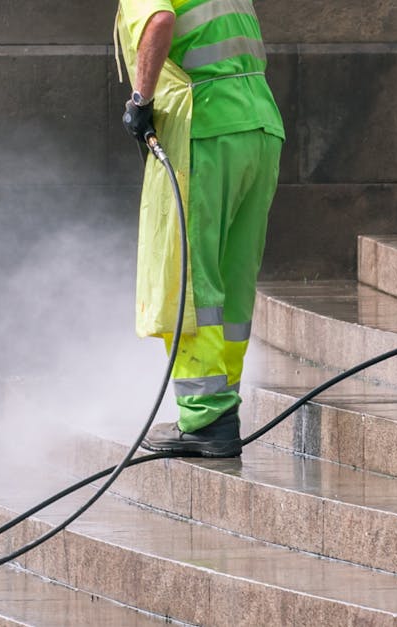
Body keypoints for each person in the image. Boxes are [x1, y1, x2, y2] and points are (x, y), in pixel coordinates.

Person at [116, 0, 284, 457]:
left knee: (188, 278)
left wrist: (141, 101)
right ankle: (221, 409)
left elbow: (158, 22)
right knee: (232, 278)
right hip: (259, 127)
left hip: (205, 131)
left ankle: (204, 417)